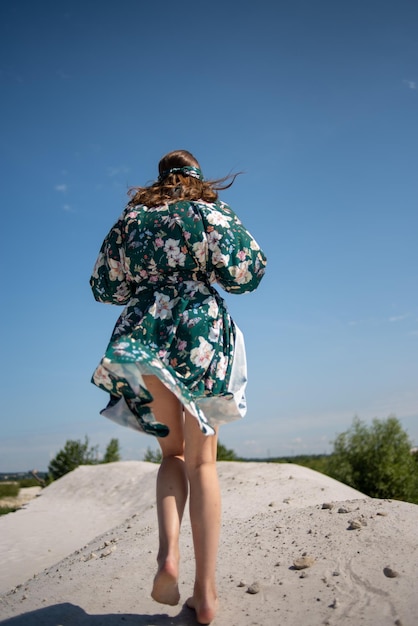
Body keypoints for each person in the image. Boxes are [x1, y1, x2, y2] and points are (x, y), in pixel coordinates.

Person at [90, 149, 267, 624]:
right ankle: (205, 594)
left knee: (171, 457)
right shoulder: (212, 213)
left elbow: (104, 287)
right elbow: (250, 273)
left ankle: (167, 556)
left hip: (143, 332)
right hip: (201, 333)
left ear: (161, 178)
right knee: (202, 462)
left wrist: (148, 278)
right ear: (197, 177)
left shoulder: (134, 217)